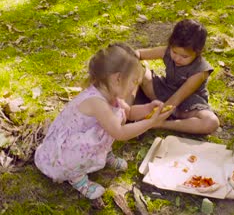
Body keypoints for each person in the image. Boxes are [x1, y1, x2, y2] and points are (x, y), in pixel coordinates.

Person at [34, 43, 174, 200]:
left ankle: (103, 154)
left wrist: (148, 109)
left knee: (116, 118)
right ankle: (77, 178)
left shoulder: (112, 96)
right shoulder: (97, 102)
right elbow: (119, 133)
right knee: (105, 130)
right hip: (66, 151)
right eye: (134, 81)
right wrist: (150, 123)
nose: (135, 87)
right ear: (117, 79)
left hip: (87, 140)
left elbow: (128, 113)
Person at [134, 19, 220, 134]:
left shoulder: (201, 71)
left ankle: (162, 124)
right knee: (136, 70)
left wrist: (157, 117)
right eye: (174, 52)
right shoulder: (167, 51)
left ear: (198, 52)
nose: (177, 59)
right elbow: (139, 53)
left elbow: (176, 99)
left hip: (187, 104)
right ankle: (124, 111)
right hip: (165, 90)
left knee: (211, 122)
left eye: (184, 56)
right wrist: (129, 57)